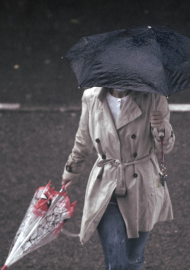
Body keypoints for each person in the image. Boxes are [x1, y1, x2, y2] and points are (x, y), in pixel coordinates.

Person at [62, 86, 175, 269]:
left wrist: (161, 128)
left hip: (142, 187)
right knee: (115, 260)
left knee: (133, 258)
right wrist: (72, 169)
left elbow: (165, 147)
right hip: (107, 184)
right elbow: (83, 140)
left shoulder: (154, 98)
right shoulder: (91, 97)